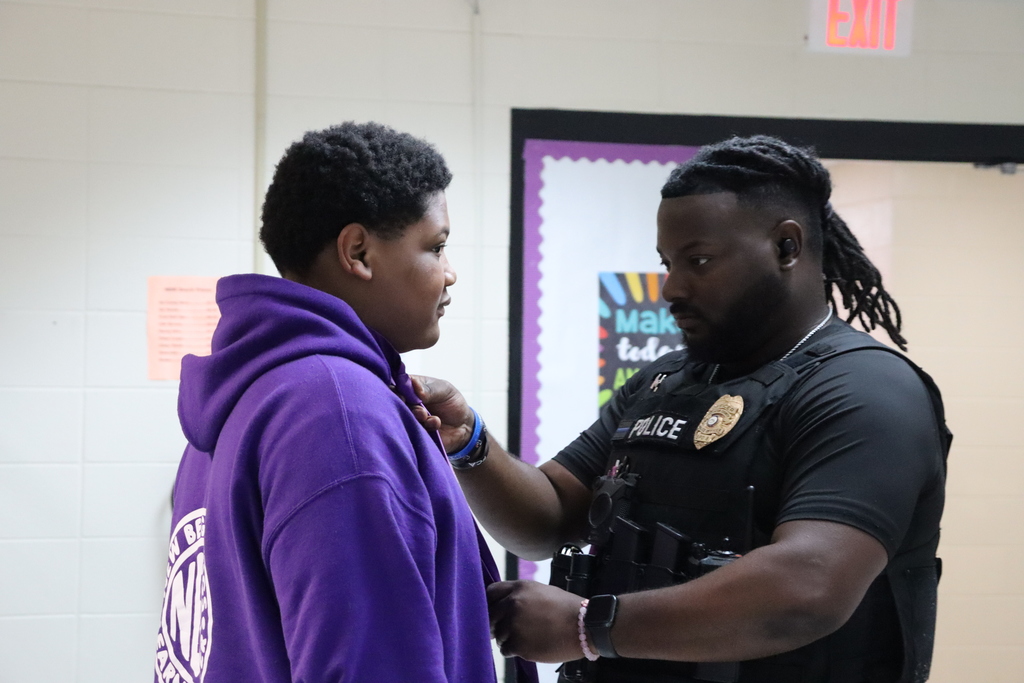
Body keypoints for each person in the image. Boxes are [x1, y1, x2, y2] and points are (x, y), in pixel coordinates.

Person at [414, 135, 949, 683]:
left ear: (786, 248)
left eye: (699, 261)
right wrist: (470, 442)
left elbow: (807, 587)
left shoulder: (866, 390)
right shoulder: (664, 380)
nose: (671, 286)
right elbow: (549, 519)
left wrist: (586, 627)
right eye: (668, 262)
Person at [153, 122, 527, 683]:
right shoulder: (337, 412)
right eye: (437, 246)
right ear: (358, 252)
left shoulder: (251, 392)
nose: (450, 274)